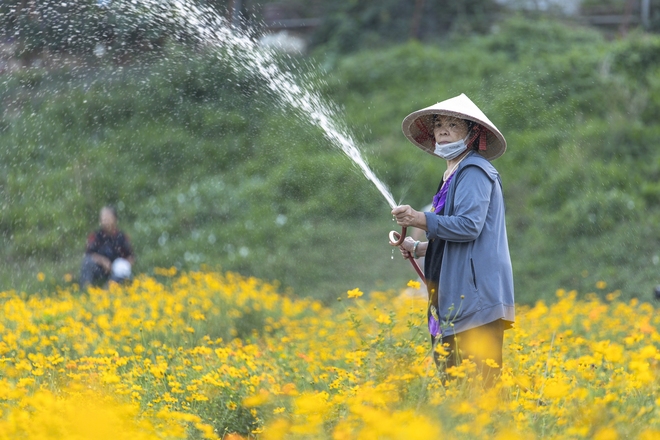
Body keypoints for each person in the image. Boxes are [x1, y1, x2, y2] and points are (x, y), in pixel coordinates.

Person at [391, 93, 514, 387]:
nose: (443, 130)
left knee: (478, 392)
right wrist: (419, 248)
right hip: (451, 303)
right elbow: (452, 237)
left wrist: (419, 219)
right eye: (438, 124)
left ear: (473, 134)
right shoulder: (452, 175)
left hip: (475, 303)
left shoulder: (474, 171)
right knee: (456, 393)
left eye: (453, 124)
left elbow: (469, 226)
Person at [80, 206, 135, 288]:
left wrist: (120, 265)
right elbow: (89, 254)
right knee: (87, 262)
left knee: (123, 269)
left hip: (116, 271)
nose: (104, 220)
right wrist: (102, 261)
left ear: (114, 218)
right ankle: (86, 290)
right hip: (100, 269)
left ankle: (108, 291)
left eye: (107, 217)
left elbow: (131, 257)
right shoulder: (96, 236)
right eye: (102, 217)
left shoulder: (121, 237)